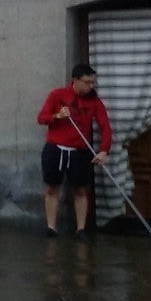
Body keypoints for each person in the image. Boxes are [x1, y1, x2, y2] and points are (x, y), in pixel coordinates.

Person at [36, 63, 112, 237]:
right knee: (53, 188)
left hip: (80, 150)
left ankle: (81, 229)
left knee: (80, 189)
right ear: (75, 80)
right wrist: (57, 116)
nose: (90, 86)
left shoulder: (94, 101)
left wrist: (104, 150)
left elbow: (105, 127)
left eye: (93, 82)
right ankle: (51, 227)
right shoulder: (58, 95)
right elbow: (41, 118)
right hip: (56, 148)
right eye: (87, 82)